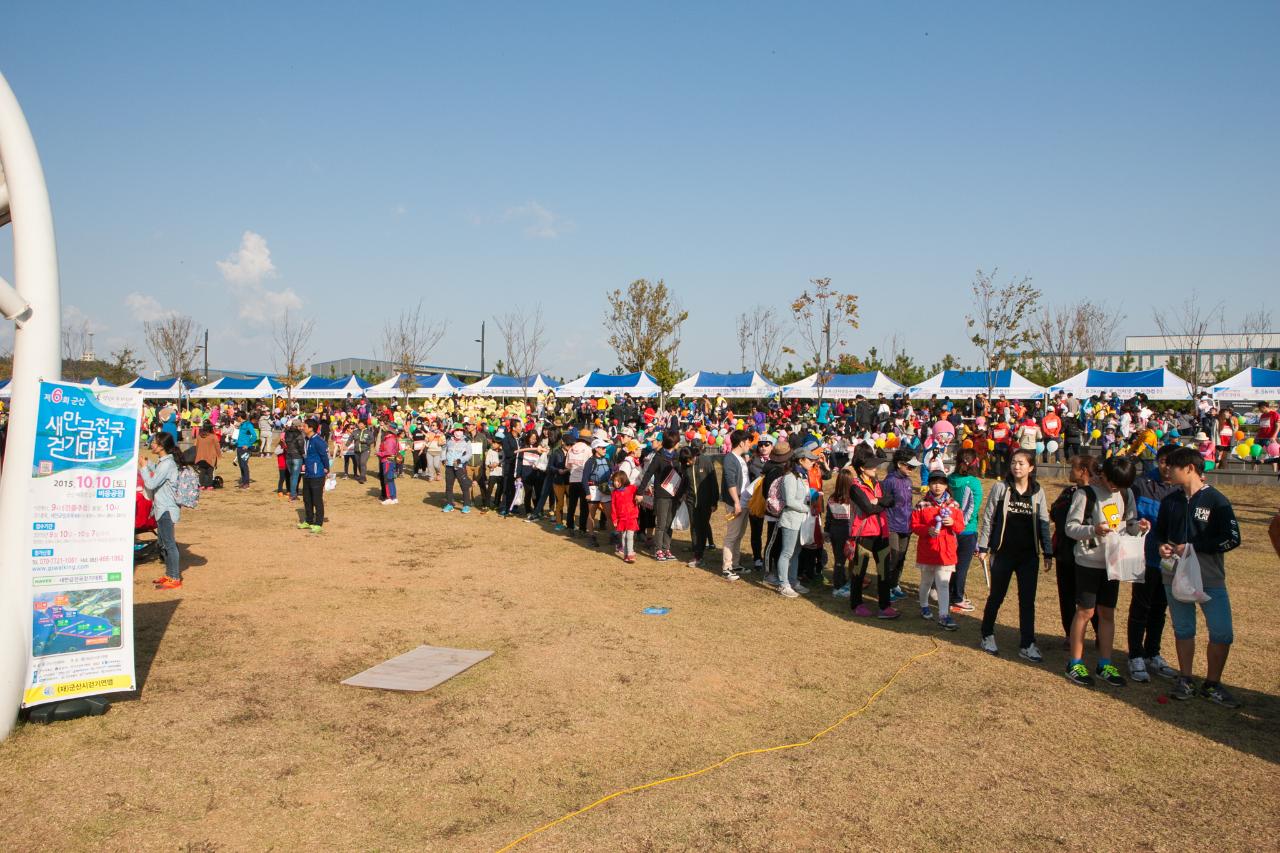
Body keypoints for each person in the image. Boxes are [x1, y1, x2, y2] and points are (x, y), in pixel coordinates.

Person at [1155, 447, 1243, 707]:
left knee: (1222, 632)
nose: (1166, 470)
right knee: (1183, 629)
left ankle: (1212, 684)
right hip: (1173, 575)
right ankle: (1185, 678)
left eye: (1172, 466)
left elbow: (1232, 538)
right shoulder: (1170, 501)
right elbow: (1160, 534)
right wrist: (1161, 546)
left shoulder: (1216, 500)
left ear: (1190, 469)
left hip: (1209, 577)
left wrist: (1196, 547)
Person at [1063, 455, 1149, 687]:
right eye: (1113, 483)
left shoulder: (1125, 493)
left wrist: (1138, 527)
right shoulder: (1085, 494)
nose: (1115, 488)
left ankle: (1105, 662)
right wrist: (1093, 529)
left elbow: (1128, 523)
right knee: (1085, 612)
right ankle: (1075, 662)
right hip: (1089, 561)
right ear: (1103, 475)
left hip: (1114, 562)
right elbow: (1070, 528)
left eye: (1121, 485)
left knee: (1107, 613)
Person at [977, 449, 1053, 661]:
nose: (1016, 466)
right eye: (1013, 462)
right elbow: (989, 518)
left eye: (1021, 463)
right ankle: (987, 634)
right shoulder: (1001, 488)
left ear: (1031, 467)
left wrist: (1048, 551)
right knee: (997, 596)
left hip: (1028, 556)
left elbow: (1044, 523)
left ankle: (1027, 643)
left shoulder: (1038, 491)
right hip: (1003, 553)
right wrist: (983, 547)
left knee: (1027, 600)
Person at [1126, 443, 1180, 682]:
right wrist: (1138, 524)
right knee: (1140, 606)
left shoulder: (1182, 490)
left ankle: (1153, 653)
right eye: (1163, 461)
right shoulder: (1141, 484)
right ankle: (1135, 654)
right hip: (1144, 557)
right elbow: (1130, 517)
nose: (1167, 468)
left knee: (1160, 608)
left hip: (1169, 560)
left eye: (1172, 463)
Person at [847, 446, 897, 618]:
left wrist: (878, 500)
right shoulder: (854, 487)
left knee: (884, 570)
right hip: (863, 534)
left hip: (882, 532)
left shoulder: (877, 484)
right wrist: (879, 503)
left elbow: (891, 500)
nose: (876, 468)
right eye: (872, 465)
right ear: (862, 468)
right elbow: (867, 508)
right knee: (859, 571)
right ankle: (856, 603)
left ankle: (885, 606)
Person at [910, 471, 962, 630]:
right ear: (929, 485)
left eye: (940, 482)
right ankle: (924, 605)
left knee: (943, 584)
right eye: (933, 482)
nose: (937, 486)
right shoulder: (922, 504)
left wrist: (952, 522)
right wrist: (928, 530)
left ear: (946, 485)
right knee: (926, 581)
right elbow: (914, 526)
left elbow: (960, 527)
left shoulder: (954, 505)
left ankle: (944, 615)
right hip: (928, 550)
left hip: (946, 552)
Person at [765, 448, 818, 598]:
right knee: (787, 552)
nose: (813, 462)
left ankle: (793, 581)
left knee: (796, 552)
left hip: (800, 519)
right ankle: (784, 584)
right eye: (810, 459)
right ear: (801, 460)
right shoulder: (790, 477)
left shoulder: (801, 475)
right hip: (791, 519)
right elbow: (790, 501)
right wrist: (806, 507)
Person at [141, 432, 186, 589]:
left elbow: (152, 483)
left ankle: (174, 577)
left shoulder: (167, 464)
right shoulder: (164, 462)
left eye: (154, 442)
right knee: (163, 543)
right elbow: (159, 471)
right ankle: (169, 574)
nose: (151, 444)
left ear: (161, 446)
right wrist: (148, 464)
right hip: (161, 509)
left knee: (169, 544)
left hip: (166, 509)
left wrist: (143, 469)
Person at [947, 448, 982, 613]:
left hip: (949, 528)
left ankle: (947, 593)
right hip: (966, 530)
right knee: (961, 567)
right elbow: (973, 509)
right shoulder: (974, 482)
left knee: (950, 565)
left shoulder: (949, 479)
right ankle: (957, 598)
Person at [882, 449, 920, 602]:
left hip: (906, 526)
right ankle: (885, 588)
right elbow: (883, 503)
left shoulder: (908, 481)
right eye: (910, 466)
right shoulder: (889, 481)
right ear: (899, 464)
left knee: (901, 557)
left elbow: (908, 503)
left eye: (914, 467)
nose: (912, 469)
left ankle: (894, 584)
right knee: (892, 556)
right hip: (891, 526)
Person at [718, 429, 751, 580]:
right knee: (732, 535)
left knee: (739, 534)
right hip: (736, 503)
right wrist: (736, 502)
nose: (750, 445)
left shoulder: (741, 458)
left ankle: (735, 563)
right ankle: (727, 567)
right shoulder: (730, 459)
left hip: (744, 502)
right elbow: (731, 482)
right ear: (742, 442)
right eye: (748, 442)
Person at [686, 441, 720, 568]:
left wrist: (714, 501)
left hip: (705, 502)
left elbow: (713, 482)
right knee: (694, 526)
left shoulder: (706, 461)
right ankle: (697, 553)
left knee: (703, 526)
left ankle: (700, 553)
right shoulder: (687, 461)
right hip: (691, 501)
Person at [298, 417, 329, 532]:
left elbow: (325, 457)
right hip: (307, 473)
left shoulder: (319, 441)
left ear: (311, 428)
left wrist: (326, 468)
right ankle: (308, 520)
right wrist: (304, 464)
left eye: (304, 426)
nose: (302, 428)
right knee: (307, 498)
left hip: (317, 474)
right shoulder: (306, 439)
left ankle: (318, 523)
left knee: (317, 499)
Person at [581, 439, 613, 547]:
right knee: (592, 514)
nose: (605, 450)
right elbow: (584, 478)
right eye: (603, 448)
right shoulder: (590, 462)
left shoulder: (607, 460)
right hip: (593, 489)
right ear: (596, 449)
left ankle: (613, 535)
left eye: (605, 448)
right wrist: (587, 493)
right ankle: (591, 536)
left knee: (609, 514)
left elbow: (612, 473)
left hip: (605, 488)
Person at [609, 469, 640, 563]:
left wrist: (642, 495)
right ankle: (626, 554)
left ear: (623, 480)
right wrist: (614, 518)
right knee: (623, 536)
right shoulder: (614, 493)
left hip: (631, 517)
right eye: (614, 481)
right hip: (621, 518)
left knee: (629, 536)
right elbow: (613, 506)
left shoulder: (632, 488)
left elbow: (639, 493)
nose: (616, 483)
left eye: (618, 481)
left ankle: (630, 554)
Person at [441, 427, 473, 514]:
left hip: (459, 467)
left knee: (464, 485)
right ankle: (449, 504)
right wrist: (443, 459)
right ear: (453, 431)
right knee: (449, 486)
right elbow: (444, 450)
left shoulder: (466, 441)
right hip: (449, 466)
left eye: (460, 430)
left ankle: (466, 505)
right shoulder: (449, 440)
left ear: (463, 431)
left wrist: (460, 460)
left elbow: (469, 454)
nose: (458, 432)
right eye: (457, 430)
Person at [377, 424, 401, 506]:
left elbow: (389, 452)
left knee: (387, 479)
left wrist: (379, 453)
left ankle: (389, 498)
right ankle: (393, 497)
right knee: (390, 479)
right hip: (391, 460)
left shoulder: (389, 439)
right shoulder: (393, 438)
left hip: (387, 461)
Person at [194, 420, 221, 490]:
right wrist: (219, 455)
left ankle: (202, 485)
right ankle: (209, 485)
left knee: (202, 472)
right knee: (210, 472)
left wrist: (197, 455)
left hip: (200, 457)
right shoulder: (213, 437)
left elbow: (196, 446)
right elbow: (217, 446)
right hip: (210, 457)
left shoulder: (199, 436)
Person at [234, 412, 258, 488]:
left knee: (244, 465)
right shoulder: (241, 425)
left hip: (245, 448)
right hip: (239, 447)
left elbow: (254, 436)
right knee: (241, 465)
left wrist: (248, 445)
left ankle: (246, 483)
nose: (236, 418)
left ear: (240, 417)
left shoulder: (248, 424)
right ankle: (244, 482)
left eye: (237, 416)